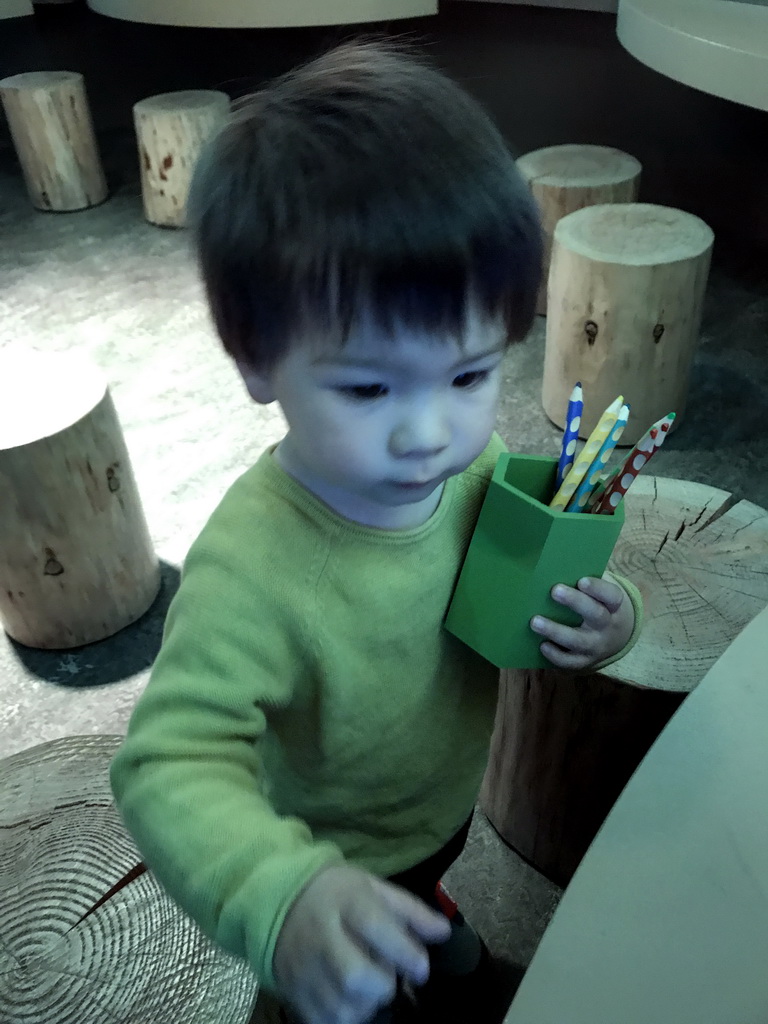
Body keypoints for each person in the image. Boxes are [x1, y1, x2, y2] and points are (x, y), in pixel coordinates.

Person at [110, 39, 642, 1024]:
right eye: (366, 385)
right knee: (333, 988)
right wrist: (284, 898)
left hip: (441, 813)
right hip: (327, 857)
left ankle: (437, 937)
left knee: (424, 901)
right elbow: (164, 762)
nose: (430, 432)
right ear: (257, 363)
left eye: (471, 373)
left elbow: (545, 558)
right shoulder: (255, 563)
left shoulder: (476, 473)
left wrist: (611, 617)